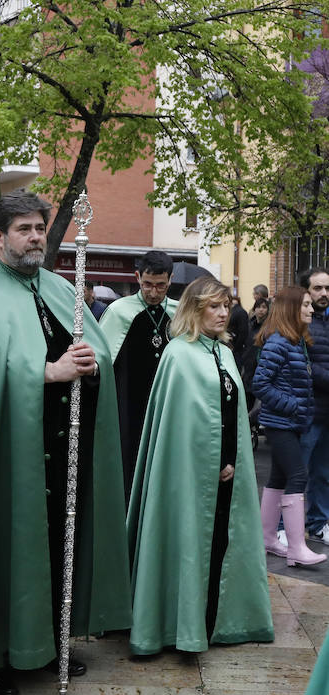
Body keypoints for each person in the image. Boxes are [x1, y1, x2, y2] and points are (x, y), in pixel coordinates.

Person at [0, 189, 131, 695]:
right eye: (23, 229)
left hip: (62, 445)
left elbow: (97, 354)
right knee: (1, 542)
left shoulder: (58, 287)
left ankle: (46, 645)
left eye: (39, 228)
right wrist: (45, 371)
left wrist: (90, 364)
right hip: (3, 448)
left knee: (54, 544)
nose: (35, 237)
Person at [128, 276, 274, 655]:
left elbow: (231, 413)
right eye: (214, 306)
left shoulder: (223, 352)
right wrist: (211, 464)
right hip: (190, 477)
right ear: (194, 309)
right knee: (188, 542)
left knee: (222, 543)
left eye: (226, 305)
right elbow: (182, 426)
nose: (224, 313)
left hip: (225, 472)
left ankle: (219, 622)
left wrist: (229, 461)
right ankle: (181, 627)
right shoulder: (178, 355)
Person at [253, 285, 325, 566]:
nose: (310, 309)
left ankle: (268, 539)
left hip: (290, 422)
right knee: (298, 476)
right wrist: (293, 406)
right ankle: (296, 547)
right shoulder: (279, 342)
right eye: (305, 304)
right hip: (281, 422)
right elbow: (259, 383)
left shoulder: (295, 341)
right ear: (291, 309)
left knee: (279, 478)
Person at [99, 250, 177, 503]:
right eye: (147, 285)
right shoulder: (118, 311)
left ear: (170, 281)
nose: (154, 293)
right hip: (128, 405)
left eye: (160, 286)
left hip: (168, 405)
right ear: (137, 277)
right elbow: (103, 363)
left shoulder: (180, 313)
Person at [298, 267, 329, 545]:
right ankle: (284, 529)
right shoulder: (301, 323)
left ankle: (319, 524)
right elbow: (305, 366)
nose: (324, 294)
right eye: (318, 288)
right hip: (308, 411)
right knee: (297, 473)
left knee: (323, 474)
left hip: (327, 412)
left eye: (327, 288)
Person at [227, 291, 250, 364]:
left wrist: (236, 347)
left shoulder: (238, 312)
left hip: (236, 346)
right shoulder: (241, 311)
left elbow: (243, 332)